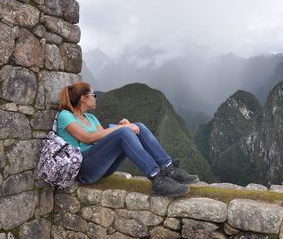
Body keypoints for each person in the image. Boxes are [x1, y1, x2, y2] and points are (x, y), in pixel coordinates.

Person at [57, 81, 199, 197]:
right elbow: (87, 138)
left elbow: (103, 139)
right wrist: (122, 129)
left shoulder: (91, 118)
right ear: (83, 98)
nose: (95, 98)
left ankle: (169, 169)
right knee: (125, 131)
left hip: (100, 168)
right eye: (93, 95)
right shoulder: (65, 115)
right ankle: (157, 179)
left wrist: (123, 126)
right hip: (83, 169)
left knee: (138, 127)